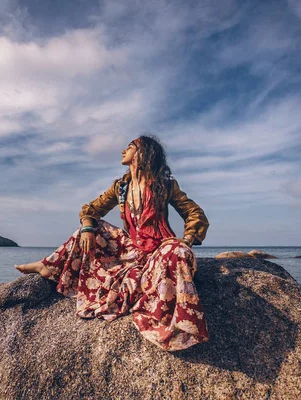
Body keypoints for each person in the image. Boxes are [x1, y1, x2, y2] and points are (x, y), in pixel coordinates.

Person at [15, 135, 209, 351]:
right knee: (90, 228)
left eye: (129, 147)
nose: (122, 151)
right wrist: (88, 227)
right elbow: (92, 209)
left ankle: (176, 322)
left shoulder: (165, 185)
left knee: (177, 252)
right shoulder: (121, 187)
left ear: (142, 153)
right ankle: (48, 265)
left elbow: (194, 213)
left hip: (158, 250)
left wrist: (187, 239)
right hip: (132, 250)